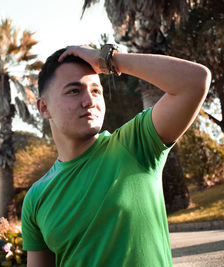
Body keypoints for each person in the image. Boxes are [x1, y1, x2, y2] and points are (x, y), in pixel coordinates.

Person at [21, 44, 211, 267]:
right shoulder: (36, 198)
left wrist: (109, 59)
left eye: (96, 91)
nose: (90, 101)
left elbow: (195, 81)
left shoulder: (135, 145)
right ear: (44, 108)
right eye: (74, 91)